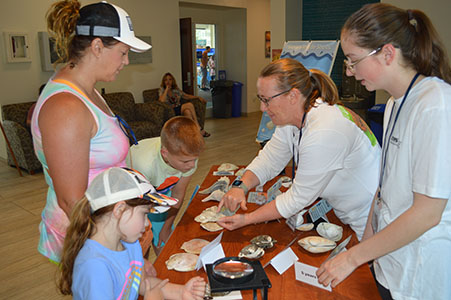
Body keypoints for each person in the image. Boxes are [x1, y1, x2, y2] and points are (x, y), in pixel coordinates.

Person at [316, 4, 451, 300]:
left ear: (387, 53)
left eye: (353, 61)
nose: (350, 72)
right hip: (389, 258)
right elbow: (384, 190)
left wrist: (355, 257)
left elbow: (427, 213)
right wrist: (364, 252)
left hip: (421, 266)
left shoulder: (436, 103)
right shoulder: (393, 104)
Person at [31, 0, 151, 263]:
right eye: (123, 52)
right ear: (97, 46)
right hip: (92, 240)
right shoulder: (66, 107)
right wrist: (123, 241)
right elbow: (71, 201)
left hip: (112, 227)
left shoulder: (89, 90)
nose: (126, 61)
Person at [217, 58, 381, 241]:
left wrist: (247, 219)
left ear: (293, 96)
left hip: (372, 221)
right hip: (352, 214)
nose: (262, 108)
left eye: (266, 100)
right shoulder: (295, 116)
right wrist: (241, 186)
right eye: (260, 99)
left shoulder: (324, 130)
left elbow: (297, 199)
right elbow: (270, 159)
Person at [57, 167, 206, 300]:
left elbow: (141, 282)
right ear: (119, 210)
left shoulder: (129, 243)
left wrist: (182, 292)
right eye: (144, 214)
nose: (148, 223)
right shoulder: (94, 267)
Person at [127, 116, 205, 254]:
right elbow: (137, 205)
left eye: (194, 160)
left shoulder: (189, 157)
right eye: (186, 162)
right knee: (140, 244)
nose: (192, 165)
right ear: (165, 154)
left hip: (161, 186)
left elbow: (178, 194)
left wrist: (166, 227)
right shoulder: (145, 165)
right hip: (133, 193)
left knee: (163, 243)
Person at [159, 72, 210, 137]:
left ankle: (193, 134)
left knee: (187, 112)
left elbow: (186, 96)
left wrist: (198, 97)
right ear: (164, 81)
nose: (168, 81)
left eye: (170, 79)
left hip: (178, 108)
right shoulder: (162, 90)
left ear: (172, 81)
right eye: (166, 80)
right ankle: (198, 126)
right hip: (170, 111)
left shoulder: (176, 89)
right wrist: (166, 90)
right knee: (189, 105)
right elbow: (161, 100)